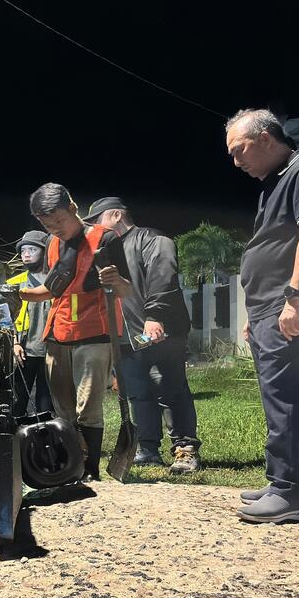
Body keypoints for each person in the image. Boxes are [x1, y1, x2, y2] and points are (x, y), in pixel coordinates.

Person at [225, 108, 299, 523]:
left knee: (284, 394)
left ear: (266, 138)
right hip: (271, 304)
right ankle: (296, 485)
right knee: (289, 394)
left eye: (240, 151)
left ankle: (286, 489)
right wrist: (258, 310)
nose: (237, 162)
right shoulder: (275, 182)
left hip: (287, 302)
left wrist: (294, 298)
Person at [17, 184, 129, 481]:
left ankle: (90, 471)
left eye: (58, 221)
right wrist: (17, 294)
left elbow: (127, 289)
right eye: (46, 224)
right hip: (57, 334)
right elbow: (51, 290)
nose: (55, 229)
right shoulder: (53, 245)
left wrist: (116, 280)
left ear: (73, 208)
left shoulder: (104, 238)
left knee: (88, 407)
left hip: (94, 333)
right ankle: (69, 468)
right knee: (62, 410)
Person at [84, 197, 201, 474]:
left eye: (97, 221)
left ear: (115, 215)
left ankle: (185, 449)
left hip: (159, 330)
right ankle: (147, 449)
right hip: (128, 337)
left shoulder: (153, 240)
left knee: (169, 386)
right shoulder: (106, 252)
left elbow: (163, 277)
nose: (94, 229)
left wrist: (155, 317)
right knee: (138, 392)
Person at [6, 231, 55, 417]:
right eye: (23, 250)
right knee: (17, 400)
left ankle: (45, 439)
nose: (26, 254)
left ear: (45, 252)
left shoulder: (58, 281)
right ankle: (16, 438)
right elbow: (4, 317)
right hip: (23, 351)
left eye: (32, 249)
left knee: (47, 401)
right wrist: (14, 342)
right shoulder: (13, 283)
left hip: (52, 350)